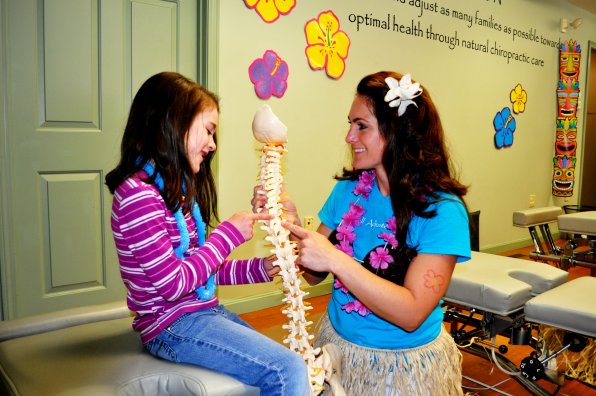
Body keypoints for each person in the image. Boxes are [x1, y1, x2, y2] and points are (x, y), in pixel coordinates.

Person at [256, 71, 470, 395]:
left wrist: (337, 260)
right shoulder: (348, 190)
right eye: (350, 124)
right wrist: (290, 226)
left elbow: (412, 313)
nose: (349, 137)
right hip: (339, 350)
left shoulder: (442, 211)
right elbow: (314, 273)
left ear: (397, 131)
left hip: (401, 367)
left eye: (362, 126)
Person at [105, 71, 310, 396]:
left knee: (274, 364)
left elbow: (199, 270)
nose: (213, 144)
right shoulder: (137, 197)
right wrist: (226, 235)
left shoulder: (172, 192)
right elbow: (174, 284)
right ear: (171, 124)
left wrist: (261, 268)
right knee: (287, 369)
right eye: (209, 131)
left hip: (199, 313)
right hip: (171, 325)